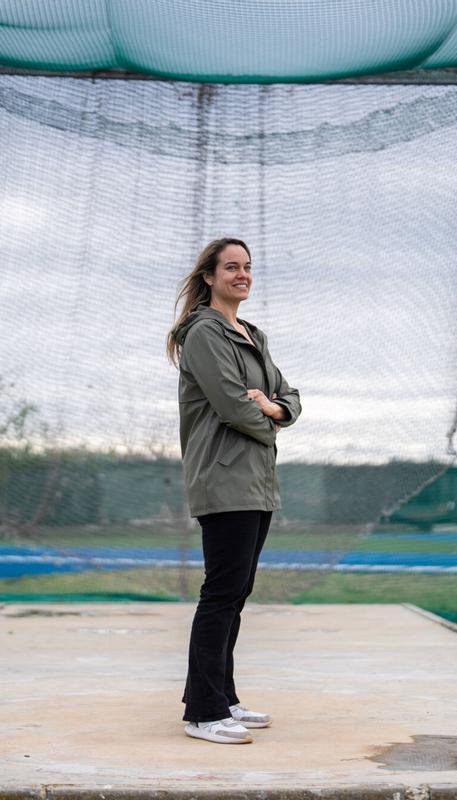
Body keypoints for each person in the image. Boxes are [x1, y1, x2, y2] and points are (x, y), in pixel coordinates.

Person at [166, 237, 302, 744]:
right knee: (220, 594)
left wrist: (274, 407)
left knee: (236, 593)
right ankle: (203, 713)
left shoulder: (253, 334)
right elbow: (229, 404)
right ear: (209, 276)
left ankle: (222, 698)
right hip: (224, 479)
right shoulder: (203, 333)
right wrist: (270, 418)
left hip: (257, 480)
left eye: (247, 267)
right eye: (231, 267)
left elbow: (290, 396)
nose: (242, 274)